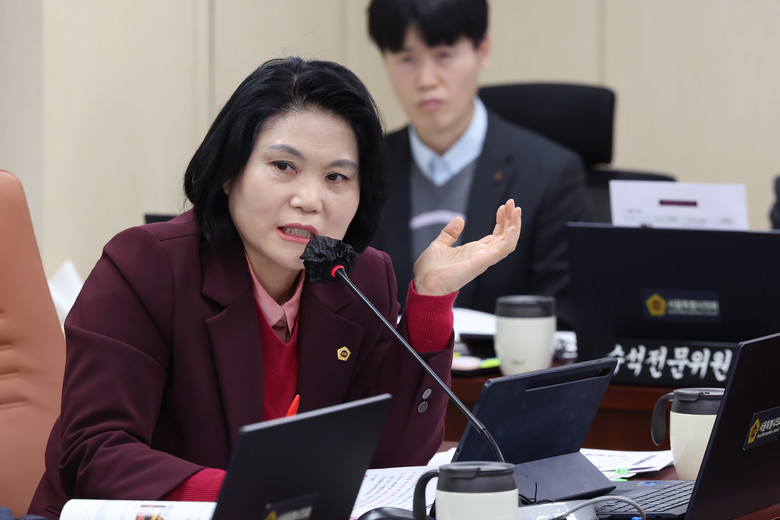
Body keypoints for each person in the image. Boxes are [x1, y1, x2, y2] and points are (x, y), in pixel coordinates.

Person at [28, 57, 521, 517]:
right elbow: (95, 453)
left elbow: (394, 460)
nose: (309, 199)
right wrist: (255, 496)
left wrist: (430, 300)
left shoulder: (360, 279)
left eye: (336, 177)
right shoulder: (144, 268)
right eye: (284, 167)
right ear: (229, 172)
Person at [367, 0, 590, 328]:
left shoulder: (551, 173)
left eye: (444, 55)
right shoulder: (364, 168)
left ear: (482, 50)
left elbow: (566, 321)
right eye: (406, 58)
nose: (425, 79)